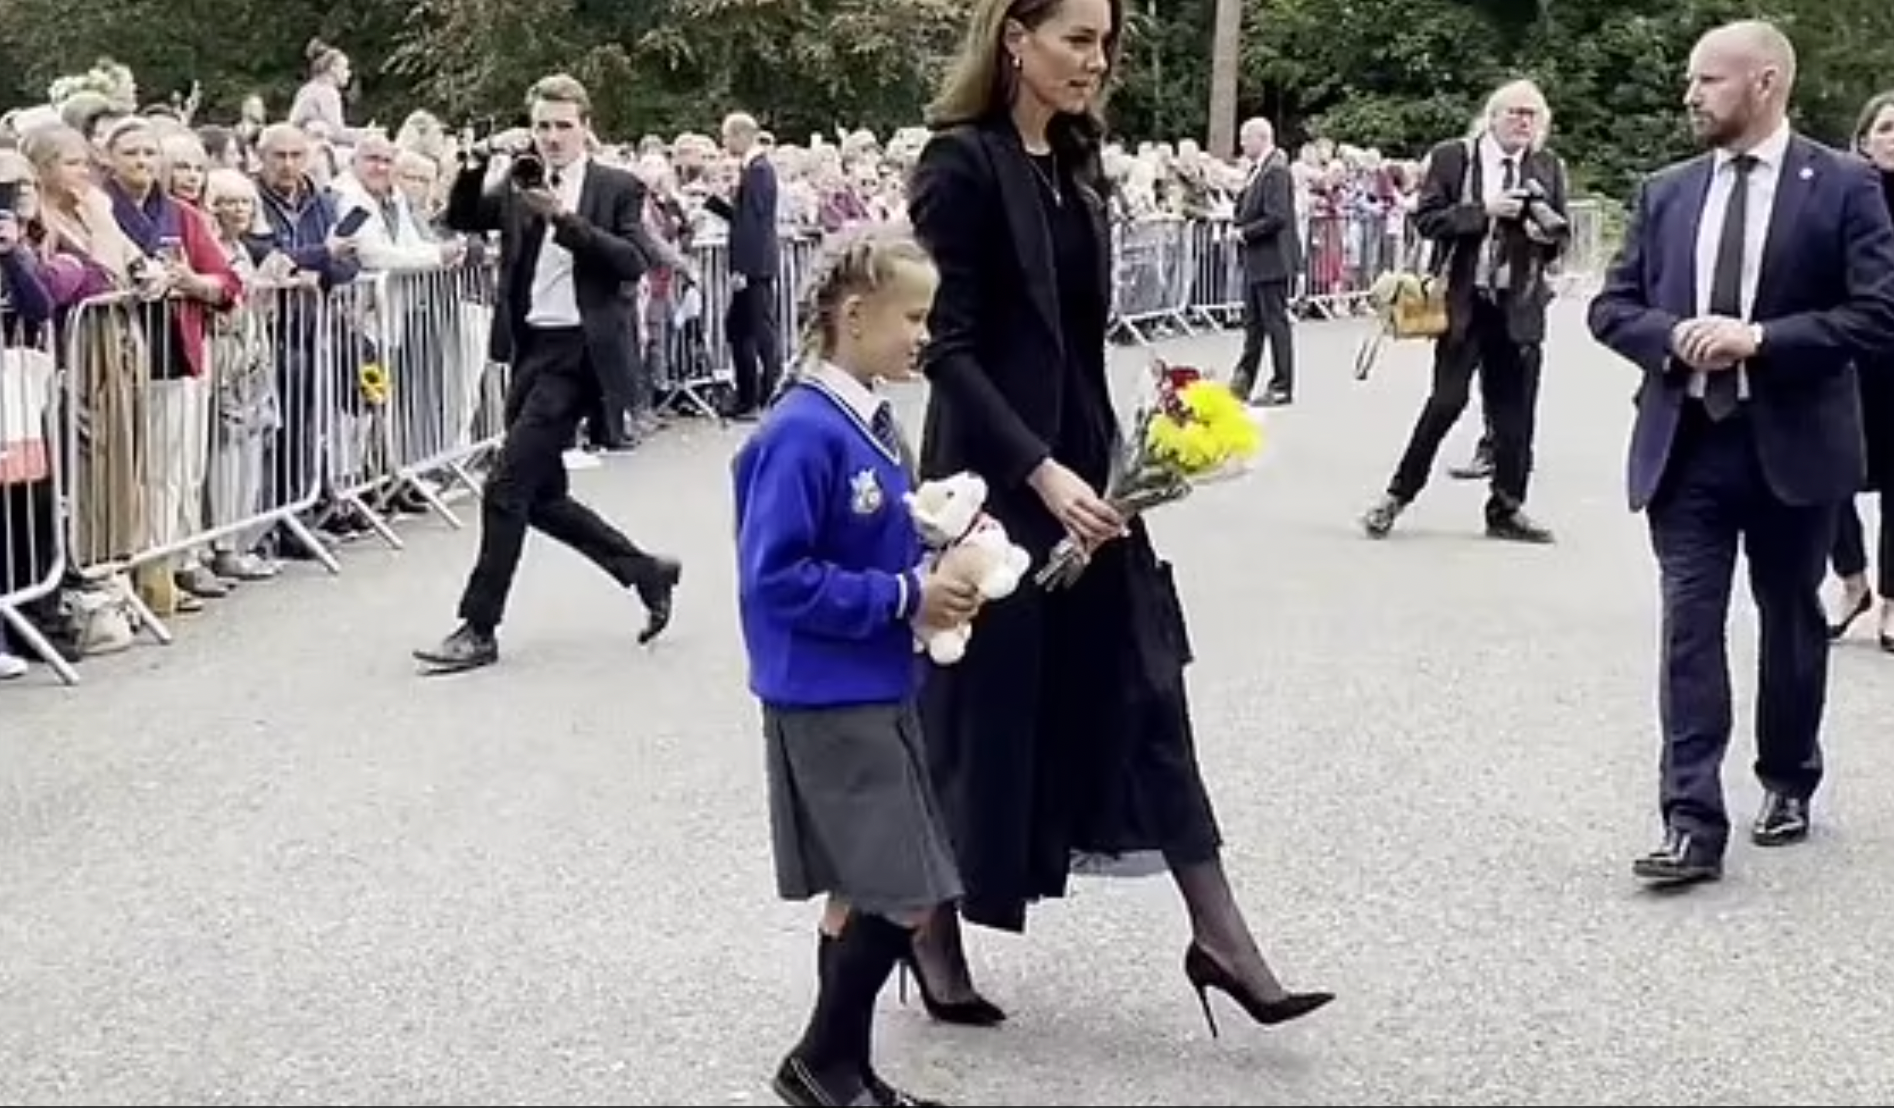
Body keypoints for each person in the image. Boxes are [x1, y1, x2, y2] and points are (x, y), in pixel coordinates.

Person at [903, 0, 1332, 1035]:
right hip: (994, 484)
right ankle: (924, 923)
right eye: (1077, 39)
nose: (1097, 62)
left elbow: (1076, 334)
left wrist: (1139, 444)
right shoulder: (958, 166)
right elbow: (946, 349)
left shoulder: (1078, 161)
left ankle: (1223, 940)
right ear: (1015, 36)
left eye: (1106, 44)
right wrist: (1040, 471)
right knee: (975, 716)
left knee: (1145, 695)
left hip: (1094, 479)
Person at [1588, 20, 1894, 887]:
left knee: (1790, 618)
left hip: (1793, 443)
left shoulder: (1843, 188)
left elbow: (1878, 315)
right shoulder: (1667, 191)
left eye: (1708, 81)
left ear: (1765, 83)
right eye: (1691, 81)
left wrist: (1758, 338)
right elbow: (1611, 307)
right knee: (1690, 626)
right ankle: (1690, 822)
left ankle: (1789, 775)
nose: (1690, 95)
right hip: (1688, 443)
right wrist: (1674, 337)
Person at [733, 226, 974, 1107]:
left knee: (860, 891)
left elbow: (879, 532)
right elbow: (776, 579)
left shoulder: (866, 416)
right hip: (828, 695)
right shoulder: (801, 432)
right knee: (904, 891)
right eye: (912, 317)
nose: (923, 334)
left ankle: (838, 1068)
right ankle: (824, 1063)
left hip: (872, 682)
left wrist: (948, 552)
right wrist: (906, 597)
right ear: (853, 312)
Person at [413, 74, 682, 673]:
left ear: (586, 126)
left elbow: (632, 262)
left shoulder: (617, 186)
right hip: (530, 346)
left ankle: (479, 626)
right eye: (543, 126)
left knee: (506, 484)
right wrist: (474, 163)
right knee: (540, 496)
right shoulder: (520, 179)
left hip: (581, 354)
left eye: (564, 125)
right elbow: (462, 217)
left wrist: (564, 218)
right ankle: (645, 571)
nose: (553, 137)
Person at [1360, 79, 1567, 544]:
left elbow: (1561, 236)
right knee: (1446, 402)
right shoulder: (1455, 157)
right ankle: (1397, 495)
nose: (1522, 122)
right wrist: (1484, 210)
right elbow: (1428, 219)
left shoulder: (1548, 166)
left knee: (1516, 417)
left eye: (1531, 115)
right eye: (1514, 112)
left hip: (1518, 305)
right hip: (1465, 301)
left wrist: (1544, 238)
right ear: (1492, 117)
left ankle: (1507, 508)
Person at [1826, 89, 1894, 652]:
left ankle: (1893, 601)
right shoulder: (1840, 193)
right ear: (1864, 137)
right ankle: (1853, 583)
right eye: (1888, 127)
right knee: (1827, 477)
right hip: (1845, 356)